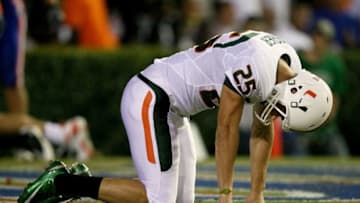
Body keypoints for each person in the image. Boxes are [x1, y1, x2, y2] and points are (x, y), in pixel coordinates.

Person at [18, 30, 334, 203]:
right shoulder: (255, 67)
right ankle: (64, 183)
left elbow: (262, 129)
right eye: (282, 111)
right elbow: (226, 129)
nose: (273, 115)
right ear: (296, 90)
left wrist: (257, 192)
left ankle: (75, 181)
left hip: (173, 109)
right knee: (159, 200)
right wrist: (225, 195)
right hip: (153, 96)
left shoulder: (286, 64)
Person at [0, 0, 94, 161]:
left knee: (12, 84)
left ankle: (53, 134)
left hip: (7, 15)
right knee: (12, 84)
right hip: (9, 14)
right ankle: (55, 134)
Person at [297, 19, 350, 156]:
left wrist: (326, 118)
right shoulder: (300, 60)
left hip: (327, 127)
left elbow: (336, 95)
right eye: (316, 35)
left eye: (322, 37)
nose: (318, 40)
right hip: (302, 125)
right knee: (297, 154)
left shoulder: (334, 64)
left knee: (341, 156)